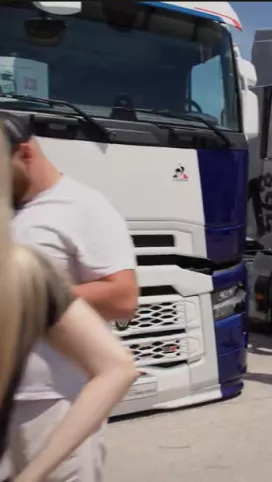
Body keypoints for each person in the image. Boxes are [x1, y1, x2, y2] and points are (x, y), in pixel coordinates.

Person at [1, 111, 139, 481]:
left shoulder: (82, 206)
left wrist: (26, 294)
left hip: (57, 404)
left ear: (25, 154)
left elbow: (123, 297)